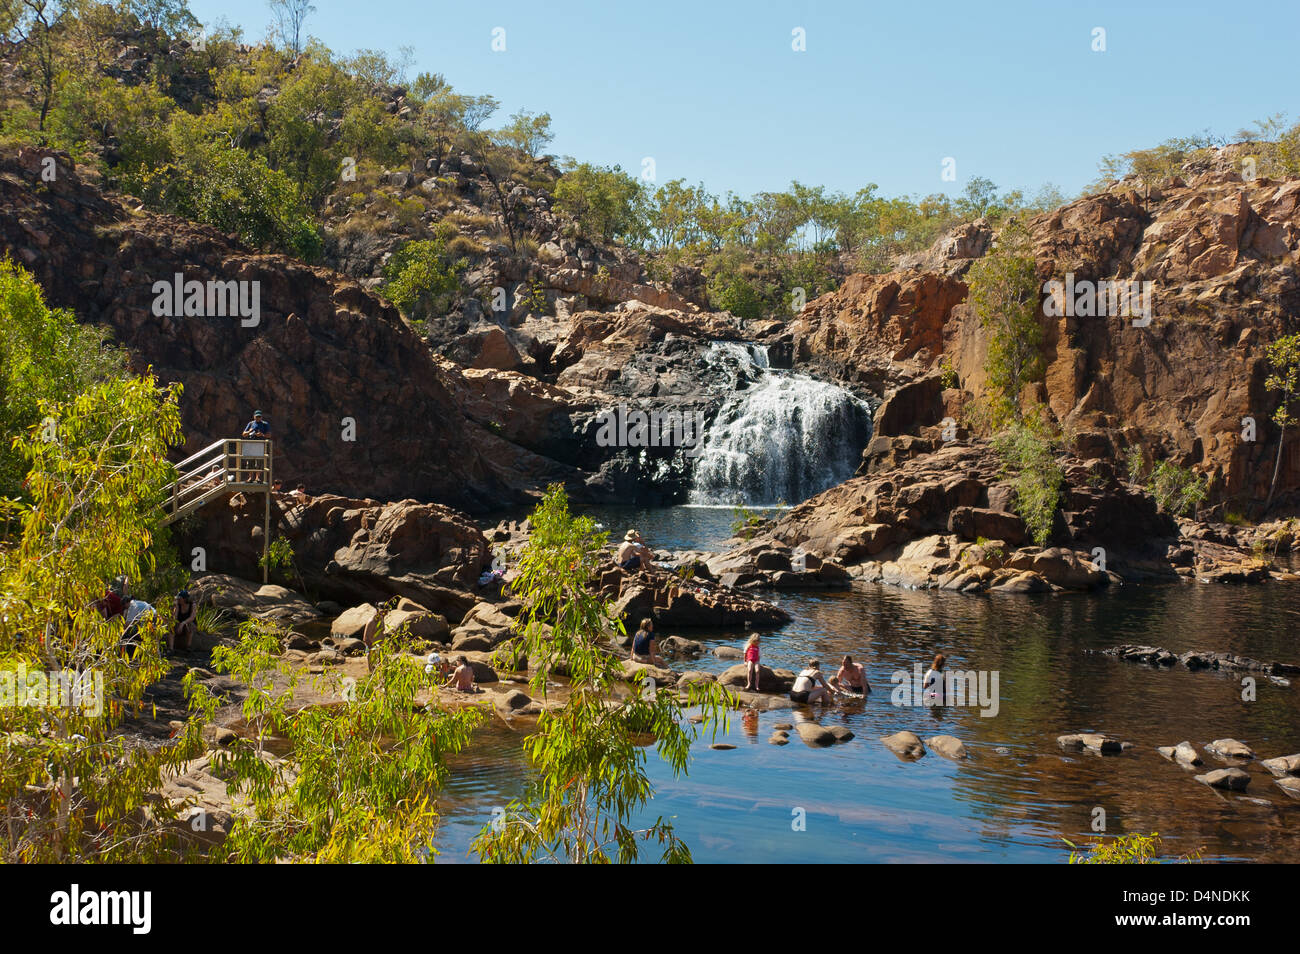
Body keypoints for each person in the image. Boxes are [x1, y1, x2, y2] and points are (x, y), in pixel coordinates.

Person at [241, 410, 270, 482]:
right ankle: (250, 477)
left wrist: (262, 434)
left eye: (259, 417)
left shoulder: (265, 424)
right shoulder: (251, 424)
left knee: (259, 462)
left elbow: (269, 435)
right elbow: (244, 434)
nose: (258, 418)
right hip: (251, 445)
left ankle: (257, 477)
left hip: (260, 445)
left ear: (261, 417)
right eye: (257, 416)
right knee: (250, 461)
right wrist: (249, 432)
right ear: (254, 416)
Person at [171, 589, 196, 653]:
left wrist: (183, 623)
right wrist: (175, 607)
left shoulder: (192, 605)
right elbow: (175, 618)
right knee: (171, 628)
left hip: (187, 623)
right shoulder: (178, 605)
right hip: (179, 623)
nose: (178, 600)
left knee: (190, 625)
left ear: (185, 599)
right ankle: (170, 648)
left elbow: (192, 617)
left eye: (180, 598)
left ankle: (188, 647)